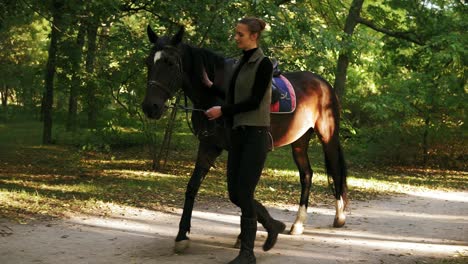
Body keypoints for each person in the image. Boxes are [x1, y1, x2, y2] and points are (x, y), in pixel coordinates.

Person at [204, 17, 286, 264]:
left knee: (245, 191)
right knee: (235, 194)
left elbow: (253, 101)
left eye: (240, 34)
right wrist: (212, 88)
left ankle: (247, 253)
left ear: (254, 36)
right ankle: (271, 224)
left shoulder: (263, 65)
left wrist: (222, 111)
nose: (236, 37)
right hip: (238, 135)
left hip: (255, 135)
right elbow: (234, 96)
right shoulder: (240, 63)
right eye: (236, 33)